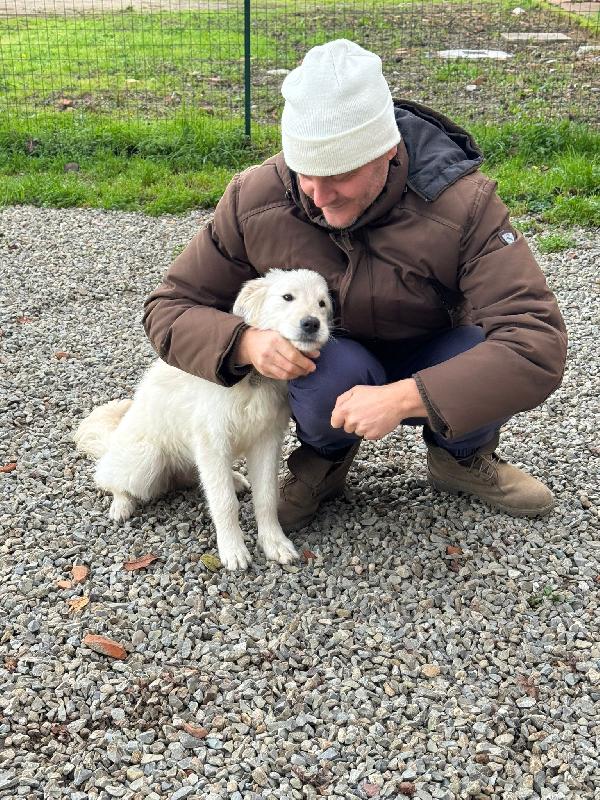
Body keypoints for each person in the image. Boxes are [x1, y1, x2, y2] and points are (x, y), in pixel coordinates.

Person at [143, 39, 567, 532]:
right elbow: (169, 307)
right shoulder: (253, 199)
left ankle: (462, 456)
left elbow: (537, 342)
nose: (319, 198)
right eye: (305, 174)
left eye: (339, 175)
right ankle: (325, 458)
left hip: (431, 352)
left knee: (479, 348)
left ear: (387, 152)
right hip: (337, 360)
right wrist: (244, 342)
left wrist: (408, 397)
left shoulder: (464, 204)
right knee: (327, 372)